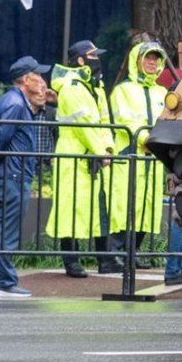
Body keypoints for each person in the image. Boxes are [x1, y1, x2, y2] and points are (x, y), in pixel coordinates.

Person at [109, 40, 182, 286]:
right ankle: (116, 253)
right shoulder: (123, 90)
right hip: (130, 155)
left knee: (145, 207)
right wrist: (148, 141)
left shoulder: (162, 93)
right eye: (148, 58)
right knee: (124, 205)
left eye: (156, 59)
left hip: (153, 157)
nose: (153, 63)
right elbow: (125, 120)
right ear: (137, 61)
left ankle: (133, 254)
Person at [45, 39, 122, 277]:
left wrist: (108, 147)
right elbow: (84, 126)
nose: (98, 60)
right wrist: (102, 150)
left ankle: (105, 259)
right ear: (81, 60)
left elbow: (103, 122)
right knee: (69, 209)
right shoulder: (73, 87)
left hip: (90, 156)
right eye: (93, 56)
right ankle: (71, 260)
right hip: (73, 156)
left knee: (99, 208)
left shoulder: (93, 87)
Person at [0, 57, 50, 298]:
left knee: (2, 227)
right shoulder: (15, 104)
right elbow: (1, 138)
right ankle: (2, 282)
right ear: (25, 79)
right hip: (13, 173)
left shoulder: (19, 102)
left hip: (13, 172)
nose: (42, 81)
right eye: (37, 76)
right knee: (5, 228)